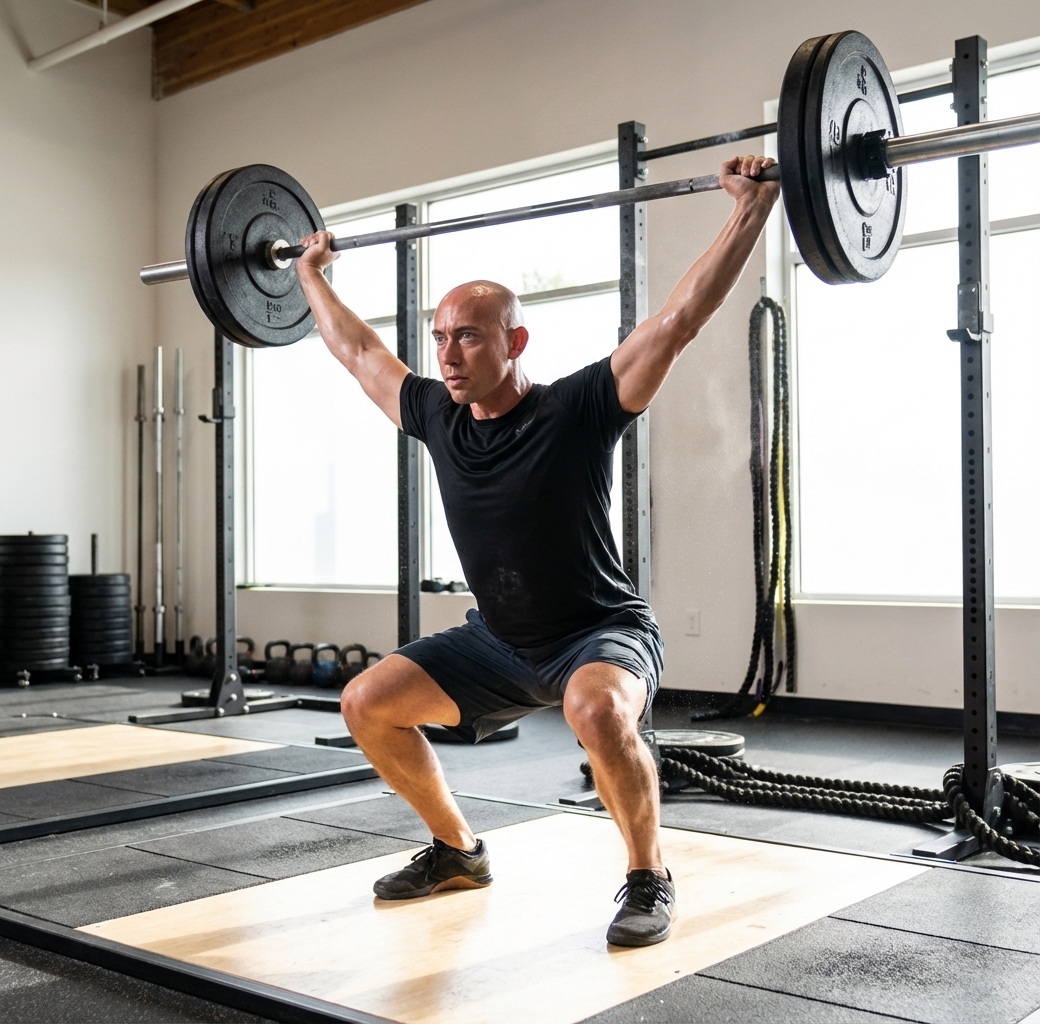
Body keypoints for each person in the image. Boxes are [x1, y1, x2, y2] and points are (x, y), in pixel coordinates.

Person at [295, 155, 779, 947]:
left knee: (593, 708)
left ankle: (647, 875)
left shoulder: (581, 407)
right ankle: (457, 851)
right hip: (499, 640)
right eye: (441, 338)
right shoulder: (436, 414)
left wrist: (749, 210)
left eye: (470, 338)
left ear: (515, 340)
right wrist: (313, 274)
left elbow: (678, 321)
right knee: (366, 704)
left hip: (599, 632)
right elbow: (355, 352)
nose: (448, 356)